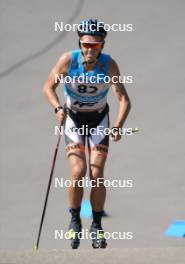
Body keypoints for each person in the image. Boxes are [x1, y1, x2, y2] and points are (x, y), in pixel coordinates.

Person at [43, 19, 131, 249]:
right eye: (86, 44)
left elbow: (124, 99)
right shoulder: (68, 60)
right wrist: (57, 108)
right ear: (80, 42)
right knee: (78, 170)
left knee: (97, 173)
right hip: (73, 119)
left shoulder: (109, 64)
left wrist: (118, 125)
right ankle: (74, 220)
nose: (90, 49)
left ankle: (97, 225)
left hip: (99, 120)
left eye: (95, 45)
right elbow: (48, 86)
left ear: (102, 45)